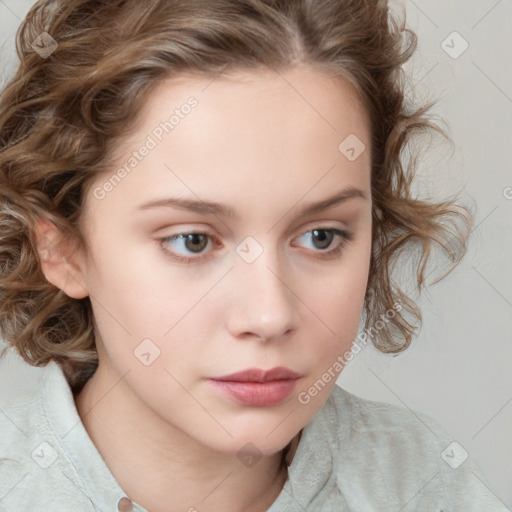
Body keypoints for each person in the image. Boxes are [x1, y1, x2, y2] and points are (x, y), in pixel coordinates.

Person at [0, 0, 508, 511]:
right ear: (63, 249)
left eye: (321, 237)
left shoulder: (428, 485)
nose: (270, 315)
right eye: (192, 241)